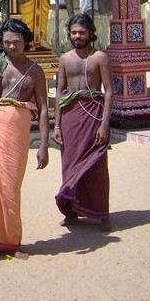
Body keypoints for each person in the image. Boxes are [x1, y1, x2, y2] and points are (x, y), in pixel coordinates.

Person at [0, 18, 49, 256]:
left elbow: (44, 109)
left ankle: (11, 241)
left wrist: (44, 145)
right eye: (7, 42)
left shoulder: (36, 72)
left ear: (26, 42)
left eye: (16, 42)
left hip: (17, 134)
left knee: (10, 186)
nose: (12, 47)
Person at [54, 13, 113, 232]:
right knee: (69, 164)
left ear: (90, 33)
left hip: (93, 114)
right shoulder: (64, 59)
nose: (77, 36)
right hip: (70, 116)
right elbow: (60, 91)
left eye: (82, 32)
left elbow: (108, 92)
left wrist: (105, 124)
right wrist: (57, 125)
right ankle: (71, 211)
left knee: (96, 166)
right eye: (74, 32)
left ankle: (102, 213)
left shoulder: (100, 58)